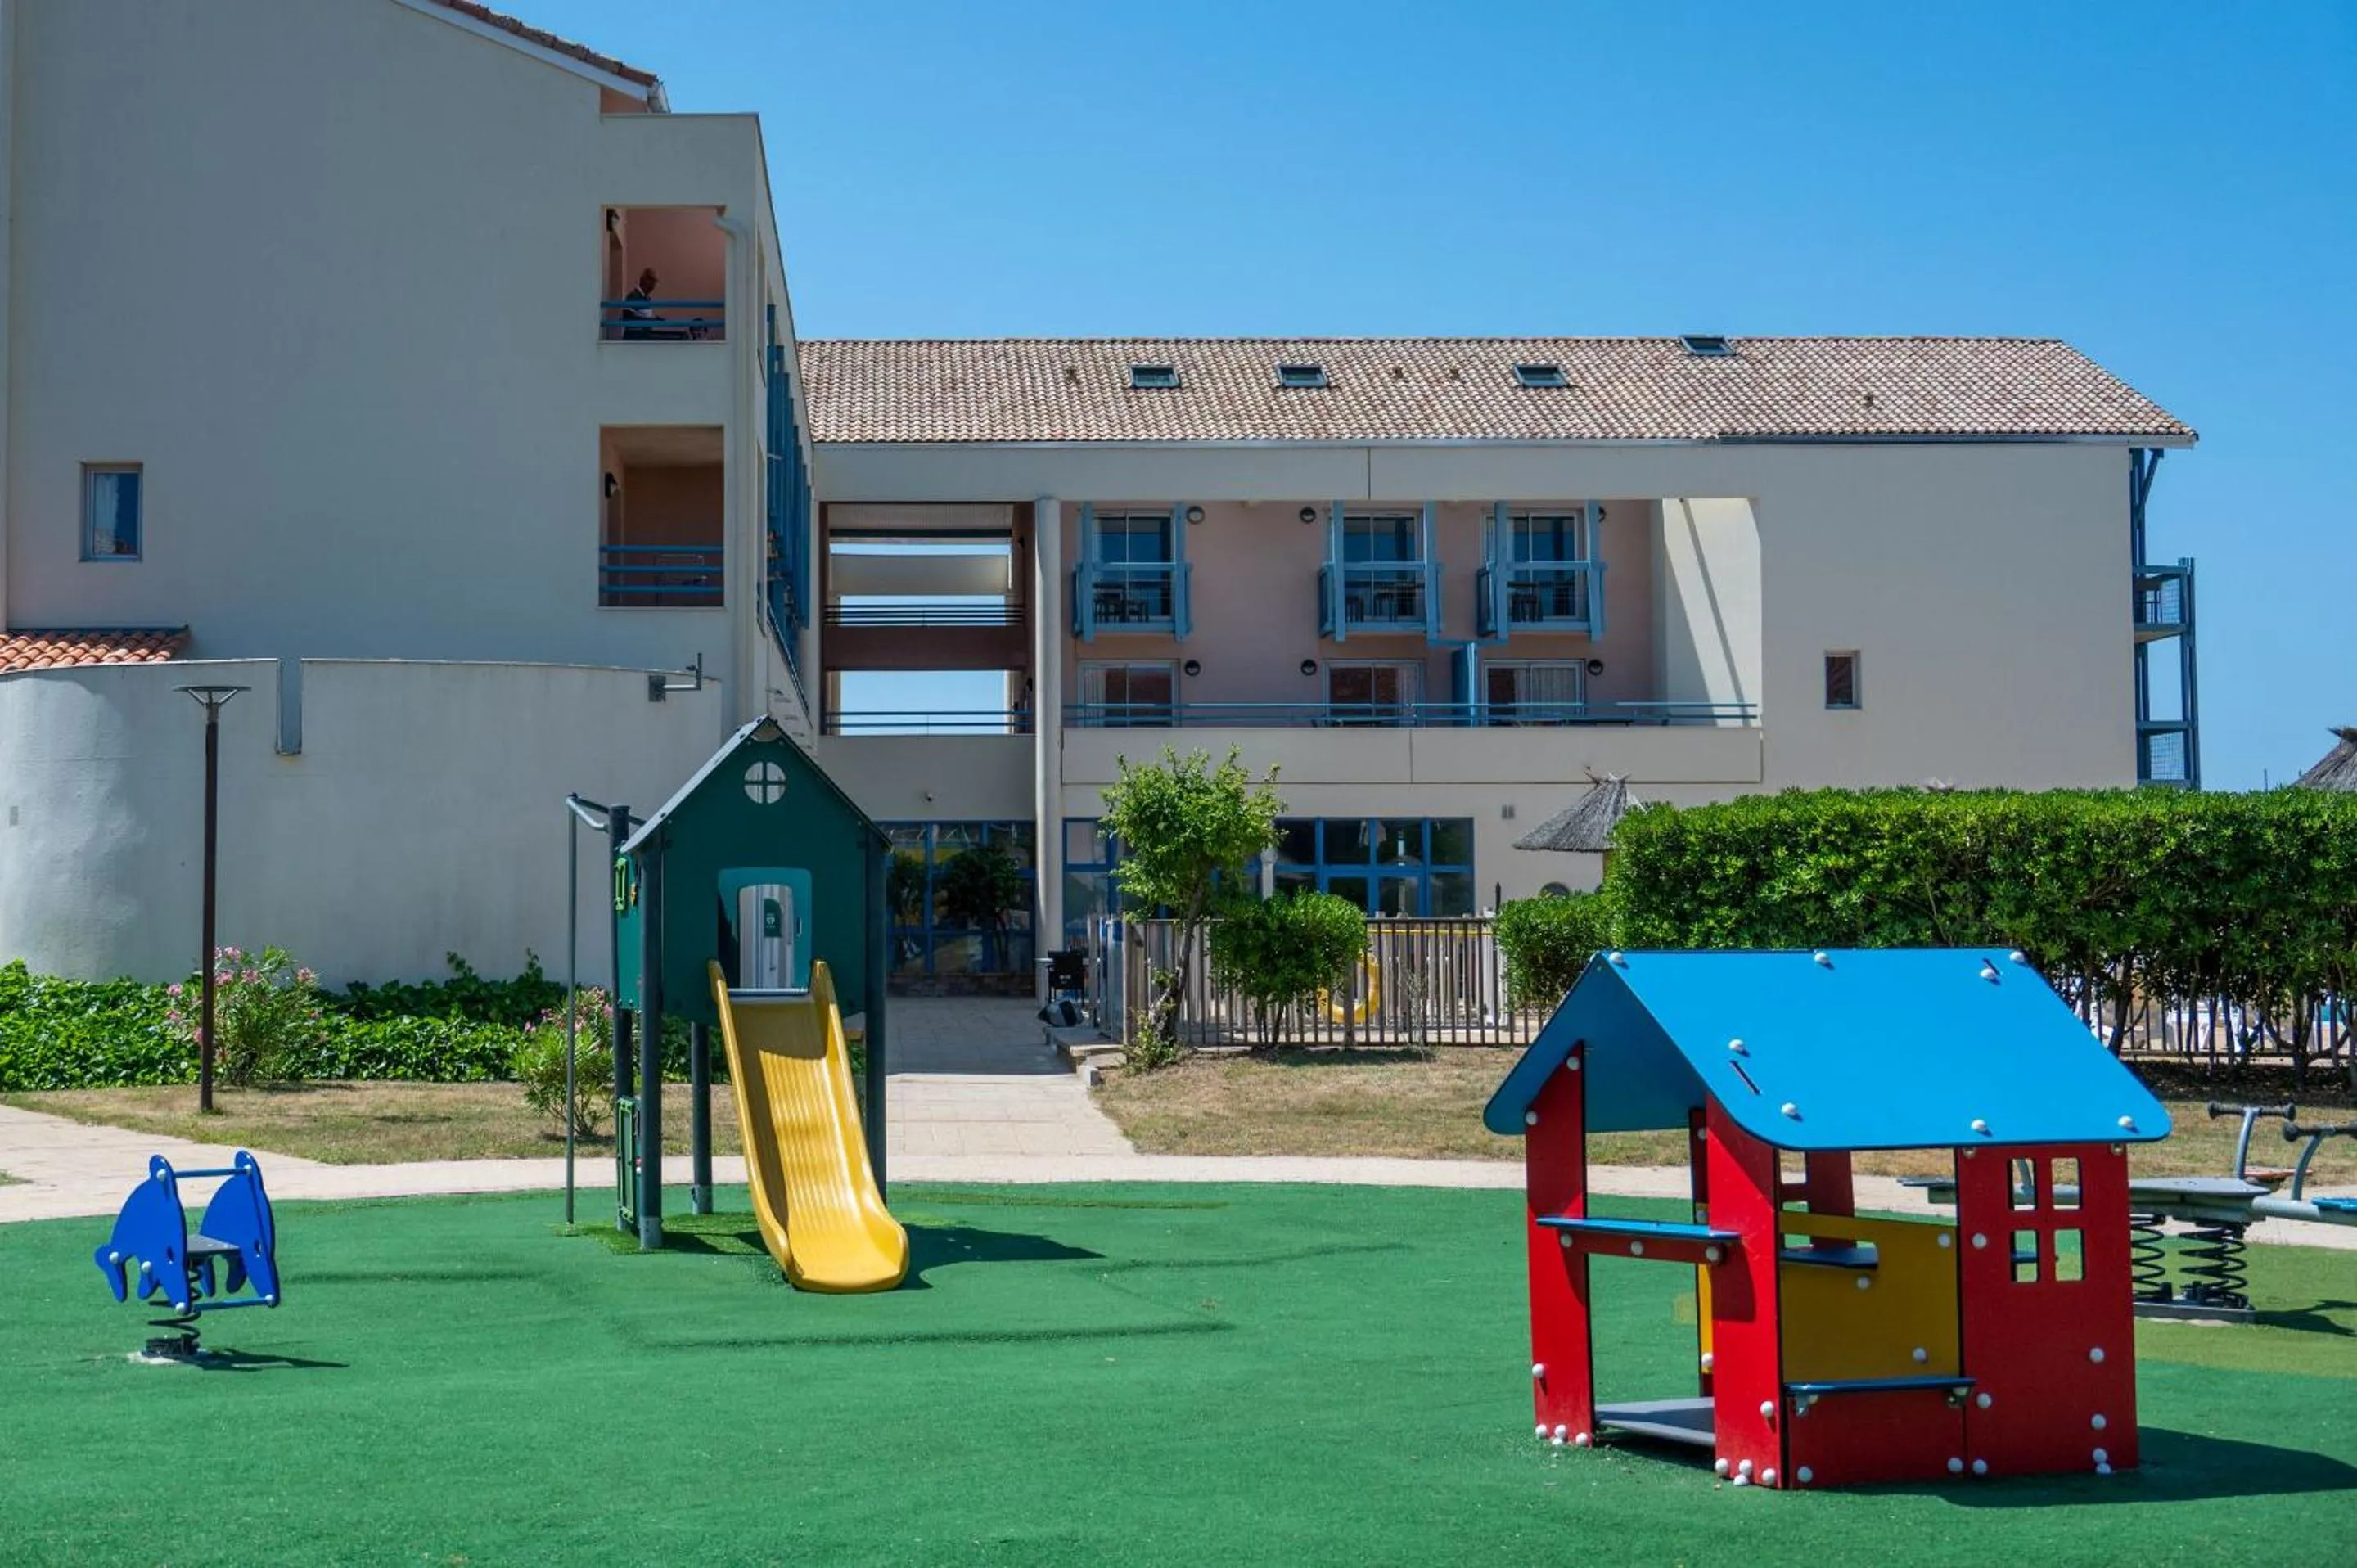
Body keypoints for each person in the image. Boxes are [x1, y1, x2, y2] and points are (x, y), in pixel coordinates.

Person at [620, 268, 658, 338]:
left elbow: (644, 316)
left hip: (644, 337)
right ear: (644, 283)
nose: (652, 289)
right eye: (651, 287)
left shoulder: (646, 299)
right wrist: (649, 320)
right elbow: (627, 318)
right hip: (634, 338)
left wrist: (654, 319)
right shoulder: (632, 297)